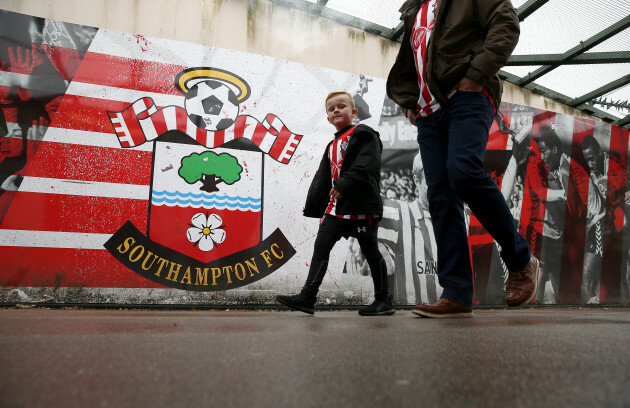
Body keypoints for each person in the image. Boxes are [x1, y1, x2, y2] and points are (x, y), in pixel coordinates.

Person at [386, 0, 539, 317]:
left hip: (467, 97)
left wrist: (476, 74)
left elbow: (506, 25)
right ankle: (456, 293)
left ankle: (521, 260)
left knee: (463, 172)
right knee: (440, 196)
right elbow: (415, 61)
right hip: (429, 114)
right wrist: (410, 102)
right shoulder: (414, 10)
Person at [276, 91, 393, 316]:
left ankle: (383, 300)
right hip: (336, 209)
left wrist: (345, 183)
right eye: (331, 109)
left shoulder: (364, 133)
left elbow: (367, 163)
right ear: (328, 118)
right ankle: (308, 297)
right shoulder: (331, 144)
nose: (336, 110)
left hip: (360, 208)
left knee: (370, 251)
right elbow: (323, 177)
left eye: (341, 106)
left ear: (354, 112)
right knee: (321, 247)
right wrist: (315, 205)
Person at [534, 125, 588, 303]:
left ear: (554, 150)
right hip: (549, 232)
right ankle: (538, 304)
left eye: (544, 151)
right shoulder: (546, 168)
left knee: (553, 274)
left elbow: (573, 203)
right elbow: (541, 193)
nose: (542, 156)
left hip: (562, 235)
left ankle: (549, 304)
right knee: (544, 271)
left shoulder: (566, 168)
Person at [580, 135, 627, 304]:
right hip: (603, 227)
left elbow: (621, 182)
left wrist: (610, 186)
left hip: (616, 229)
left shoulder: (612, 166)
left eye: (592, 159)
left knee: (616, 279)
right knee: (593, 280)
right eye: (587, 160)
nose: (590, 164)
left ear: (599, 153)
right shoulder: (592, 173)